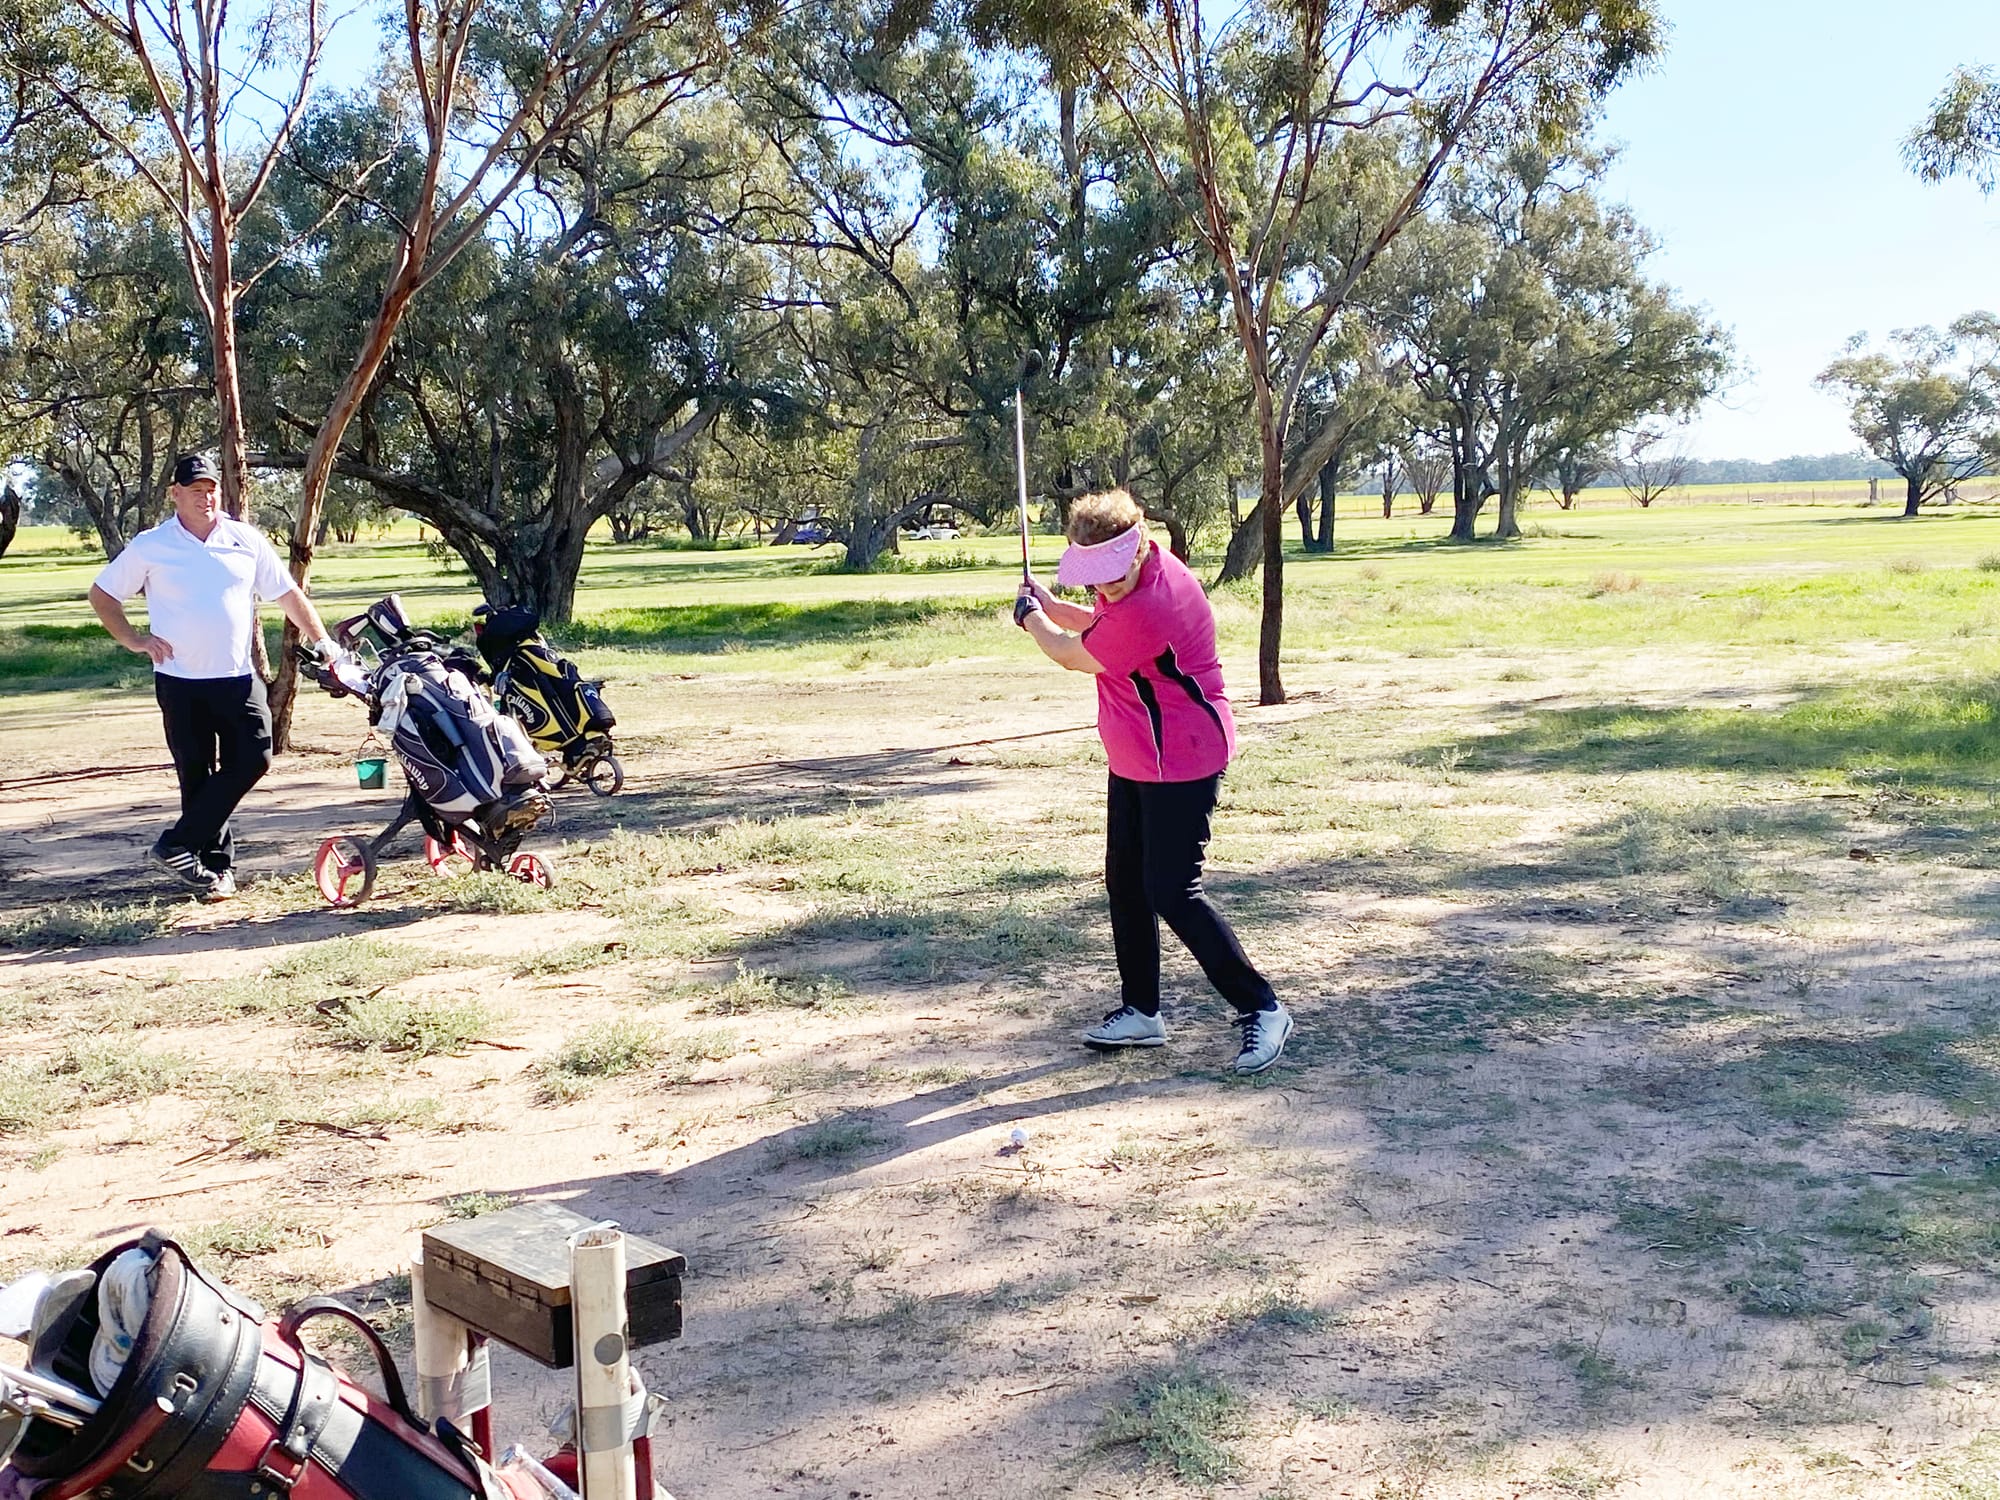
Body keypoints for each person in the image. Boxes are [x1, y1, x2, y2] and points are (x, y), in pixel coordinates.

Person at [1013, 488, 1295, 1076]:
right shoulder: (1136, 583)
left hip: (1182, 757)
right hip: (1141, 756)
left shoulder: (1155, 604)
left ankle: (1262, 1008)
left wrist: (1034, 619)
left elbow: (1074, 654)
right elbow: (1097, 623)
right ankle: (1142, 1011)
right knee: (1126, 882)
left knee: (1172, 891)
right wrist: (1049, 603)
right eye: (1096, 576)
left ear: (1140, 545)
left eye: (1113, 575)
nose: (1105, 588)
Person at [88, 453, 357, 900]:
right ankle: (213, 870)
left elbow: (287, 594)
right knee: (196, 775)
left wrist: (324, 641)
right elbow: (102, 594)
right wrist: (136, 640)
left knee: (255, 758)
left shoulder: (243, 539)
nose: (206, 497)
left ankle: (177, 844)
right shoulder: (152, 545)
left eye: (211, 488)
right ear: (175, 494)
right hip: (179, 681)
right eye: (195, 490)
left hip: (235, 677)